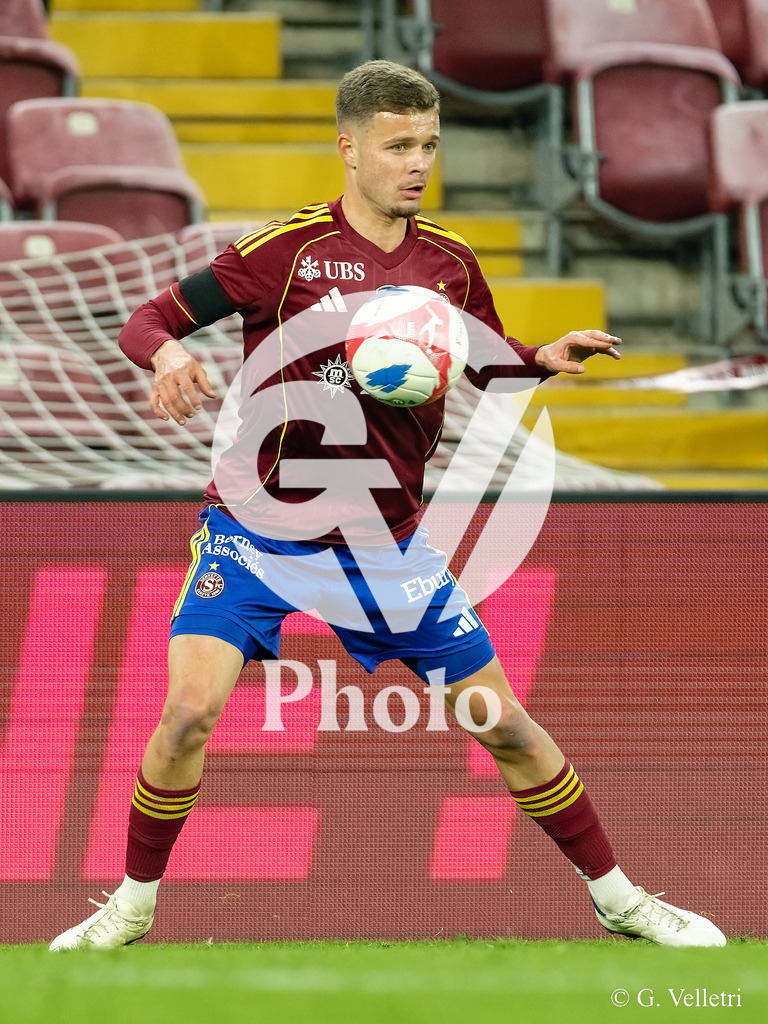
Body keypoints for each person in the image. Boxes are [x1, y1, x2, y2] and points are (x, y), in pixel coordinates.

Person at [50, 60, 725, 950]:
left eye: (431, 145)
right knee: (187, 714)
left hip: (385, 545)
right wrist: (169, 359)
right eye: (399, 145)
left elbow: (477, 359)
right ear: (349, 148)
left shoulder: (449, 263)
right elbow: (149, 319)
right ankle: (129, 909)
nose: (419, 163)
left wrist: (539, 356)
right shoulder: (280, 253)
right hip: (259, 529)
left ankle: (622, 899)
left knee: (508, 728)